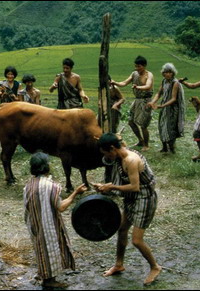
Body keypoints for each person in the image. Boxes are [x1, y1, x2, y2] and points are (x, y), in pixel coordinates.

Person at [93, 133, 162, 286]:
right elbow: (116, 138)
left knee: (137, 240)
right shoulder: (119, 149)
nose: (107, 158)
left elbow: (134, 187)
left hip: (144, 199)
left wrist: (111, 186)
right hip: (132, 199)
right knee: (122, 230)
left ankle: (155, 267)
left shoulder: (131, 160)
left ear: (112, 149)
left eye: (106, 154)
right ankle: (119, 264)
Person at [24, 152, 87, 288]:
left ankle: (45, 276)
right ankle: (49, 281)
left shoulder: (28, 185)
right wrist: (75, 193)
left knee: (41, 249)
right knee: (50, 248)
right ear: (46, 167)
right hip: (48, 224)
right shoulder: (51, 186)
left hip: (35, 223)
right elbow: (61, 207)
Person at [111, 56, 154, 151]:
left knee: (143, 125)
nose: (137, 68)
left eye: (139, 66)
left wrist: (138, 87)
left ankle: (146, 145)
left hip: (146, 101)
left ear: (144, 66)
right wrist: (115, 83)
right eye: (136, 66)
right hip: (137, 100)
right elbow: (124, 83)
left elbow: (148, 85)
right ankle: (140, 140)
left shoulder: (149, 75)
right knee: (131, 122)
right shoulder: (134, 74)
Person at [148, 63, 185, 153]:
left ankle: (172, 148)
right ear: (163, 73)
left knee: (170, 128)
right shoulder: (164, 81)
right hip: (164, 107)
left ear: (173, 73)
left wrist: (162, 106)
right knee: (161, 126)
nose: (168, 74)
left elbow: (173, 98)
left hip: (172, 109)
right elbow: (159, 93)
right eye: (166, 72)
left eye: (170, 72)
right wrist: (152, 102)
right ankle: (164, 147)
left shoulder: (175, 83)